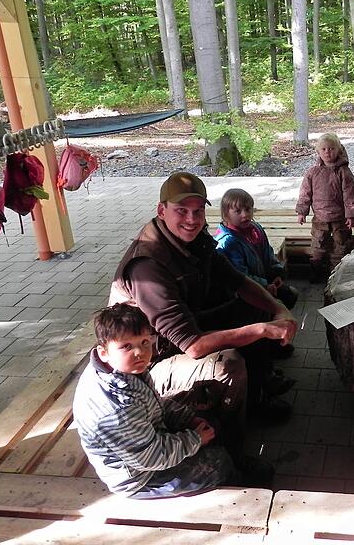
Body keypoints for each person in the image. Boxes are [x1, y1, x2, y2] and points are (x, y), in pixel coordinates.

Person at [109, 172, 298, 424]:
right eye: (182, 210)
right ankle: (234, 450)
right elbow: (193, 345)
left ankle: (258, 392)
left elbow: (238, 281)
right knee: (230, 364)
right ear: (161, 210)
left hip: (185, 325)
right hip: (147, 361)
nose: (192, 219)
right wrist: (262, 330)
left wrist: (278, 309)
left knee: (255, 307)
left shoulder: (195, 240)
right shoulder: (148, 266)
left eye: (198, 211)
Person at [73, 304, 258, 499]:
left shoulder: (124, 369)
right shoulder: (114, 410)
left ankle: (231, 460)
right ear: (104, 352)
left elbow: (153, 402)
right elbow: (151, 457)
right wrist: (195, 440)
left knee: (209, 422)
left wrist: (188, 419)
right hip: (141, 477)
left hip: (147, 439)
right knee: (217, 463)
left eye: (144, 342)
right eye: (126, 346)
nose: (140, 352)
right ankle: (239, 483)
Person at [214, 188, 299, 310]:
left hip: (265, 280)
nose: (245, 214)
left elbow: (268, 254)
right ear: (226, 214)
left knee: (291, 295)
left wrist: (276, 273)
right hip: (246, 292)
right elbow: (240, 276)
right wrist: (265, 286)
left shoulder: (256, 229)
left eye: (248, 209)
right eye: (238, 211)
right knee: (279, 307)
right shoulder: (228, 242)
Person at [296, 133, 354, 281]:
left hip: (340, 219)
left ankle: (335, 273)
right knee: (318, 244)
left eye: (331, 148)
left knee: (340, 245)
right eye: (323, 149)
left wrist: (351, 215)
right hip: (320, 218)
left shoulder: (344, 172)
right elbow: (305, 193)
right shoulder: (312, 172)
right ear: (318, 152)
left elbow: (351, 194)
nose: (327, 152)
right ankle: (316, 270)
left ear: (339, 150)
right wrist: (302, 212)